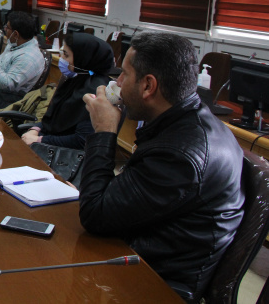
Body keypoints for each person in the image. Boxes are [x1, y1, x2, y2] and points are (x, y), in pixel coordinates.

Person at [79, 32, 244, 302]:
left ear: (148, 86)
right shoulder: (184, 121)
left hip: (155, 285)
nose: (118, 82)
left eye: (125, 74)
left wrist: (105, 131)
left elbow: (94, 215)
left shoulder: (179, 155)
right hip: (134, 255)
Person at [21, 32, 112, 149]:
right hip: (47, 143)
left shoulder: (95, 91)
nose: (61, 58)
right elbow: (53, 119)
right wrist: (36, 129)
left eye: (66, 55)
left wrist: (39, 139)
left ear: (83, 58)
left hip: (61, 153)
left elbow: (82, 140)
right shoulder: (77, 79)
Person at [0, 11, 44, 109]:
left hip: (1, 100)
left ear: (16, 34)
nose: (5, 29)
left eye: (7, 27)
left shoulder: (28, 57)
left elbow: (7, 85)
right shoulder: (16, 44)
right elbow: (4, 69)